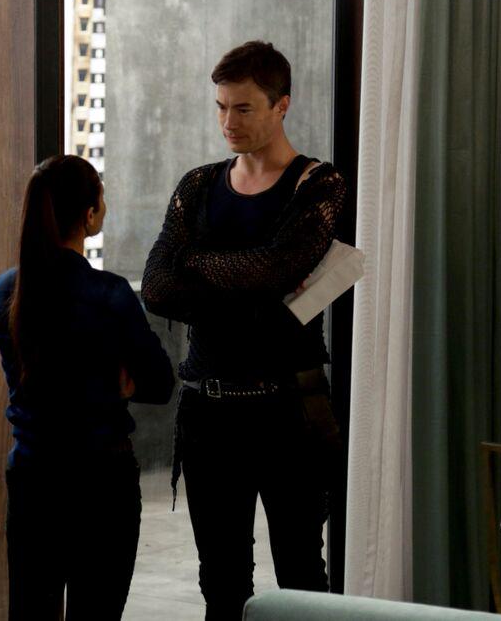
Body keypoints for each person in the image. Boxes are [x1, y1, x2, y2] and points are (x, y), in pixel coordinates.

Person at [140, 41, 347, 620]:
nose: (228, 121)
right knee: (221, 579)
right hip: (208, 411)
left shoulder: (318, 184)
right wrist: (250, 286)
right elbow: (156, 286)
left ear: (282, 105)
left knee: (302, 576)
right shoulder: (198, 184)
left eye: (244, 108)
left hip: (290, 409)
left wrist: (197, 264)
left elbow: (274, 271)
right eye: (221, 107)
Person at [0, 154, 175, 620]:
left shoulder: (7, 291)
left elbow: (29, 376)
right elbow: (160, 383)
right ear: (90, 215)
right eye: (102, 199)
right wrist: (121, 385)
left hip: (33, 476)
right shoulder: (109, 293)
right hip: (101, 481)